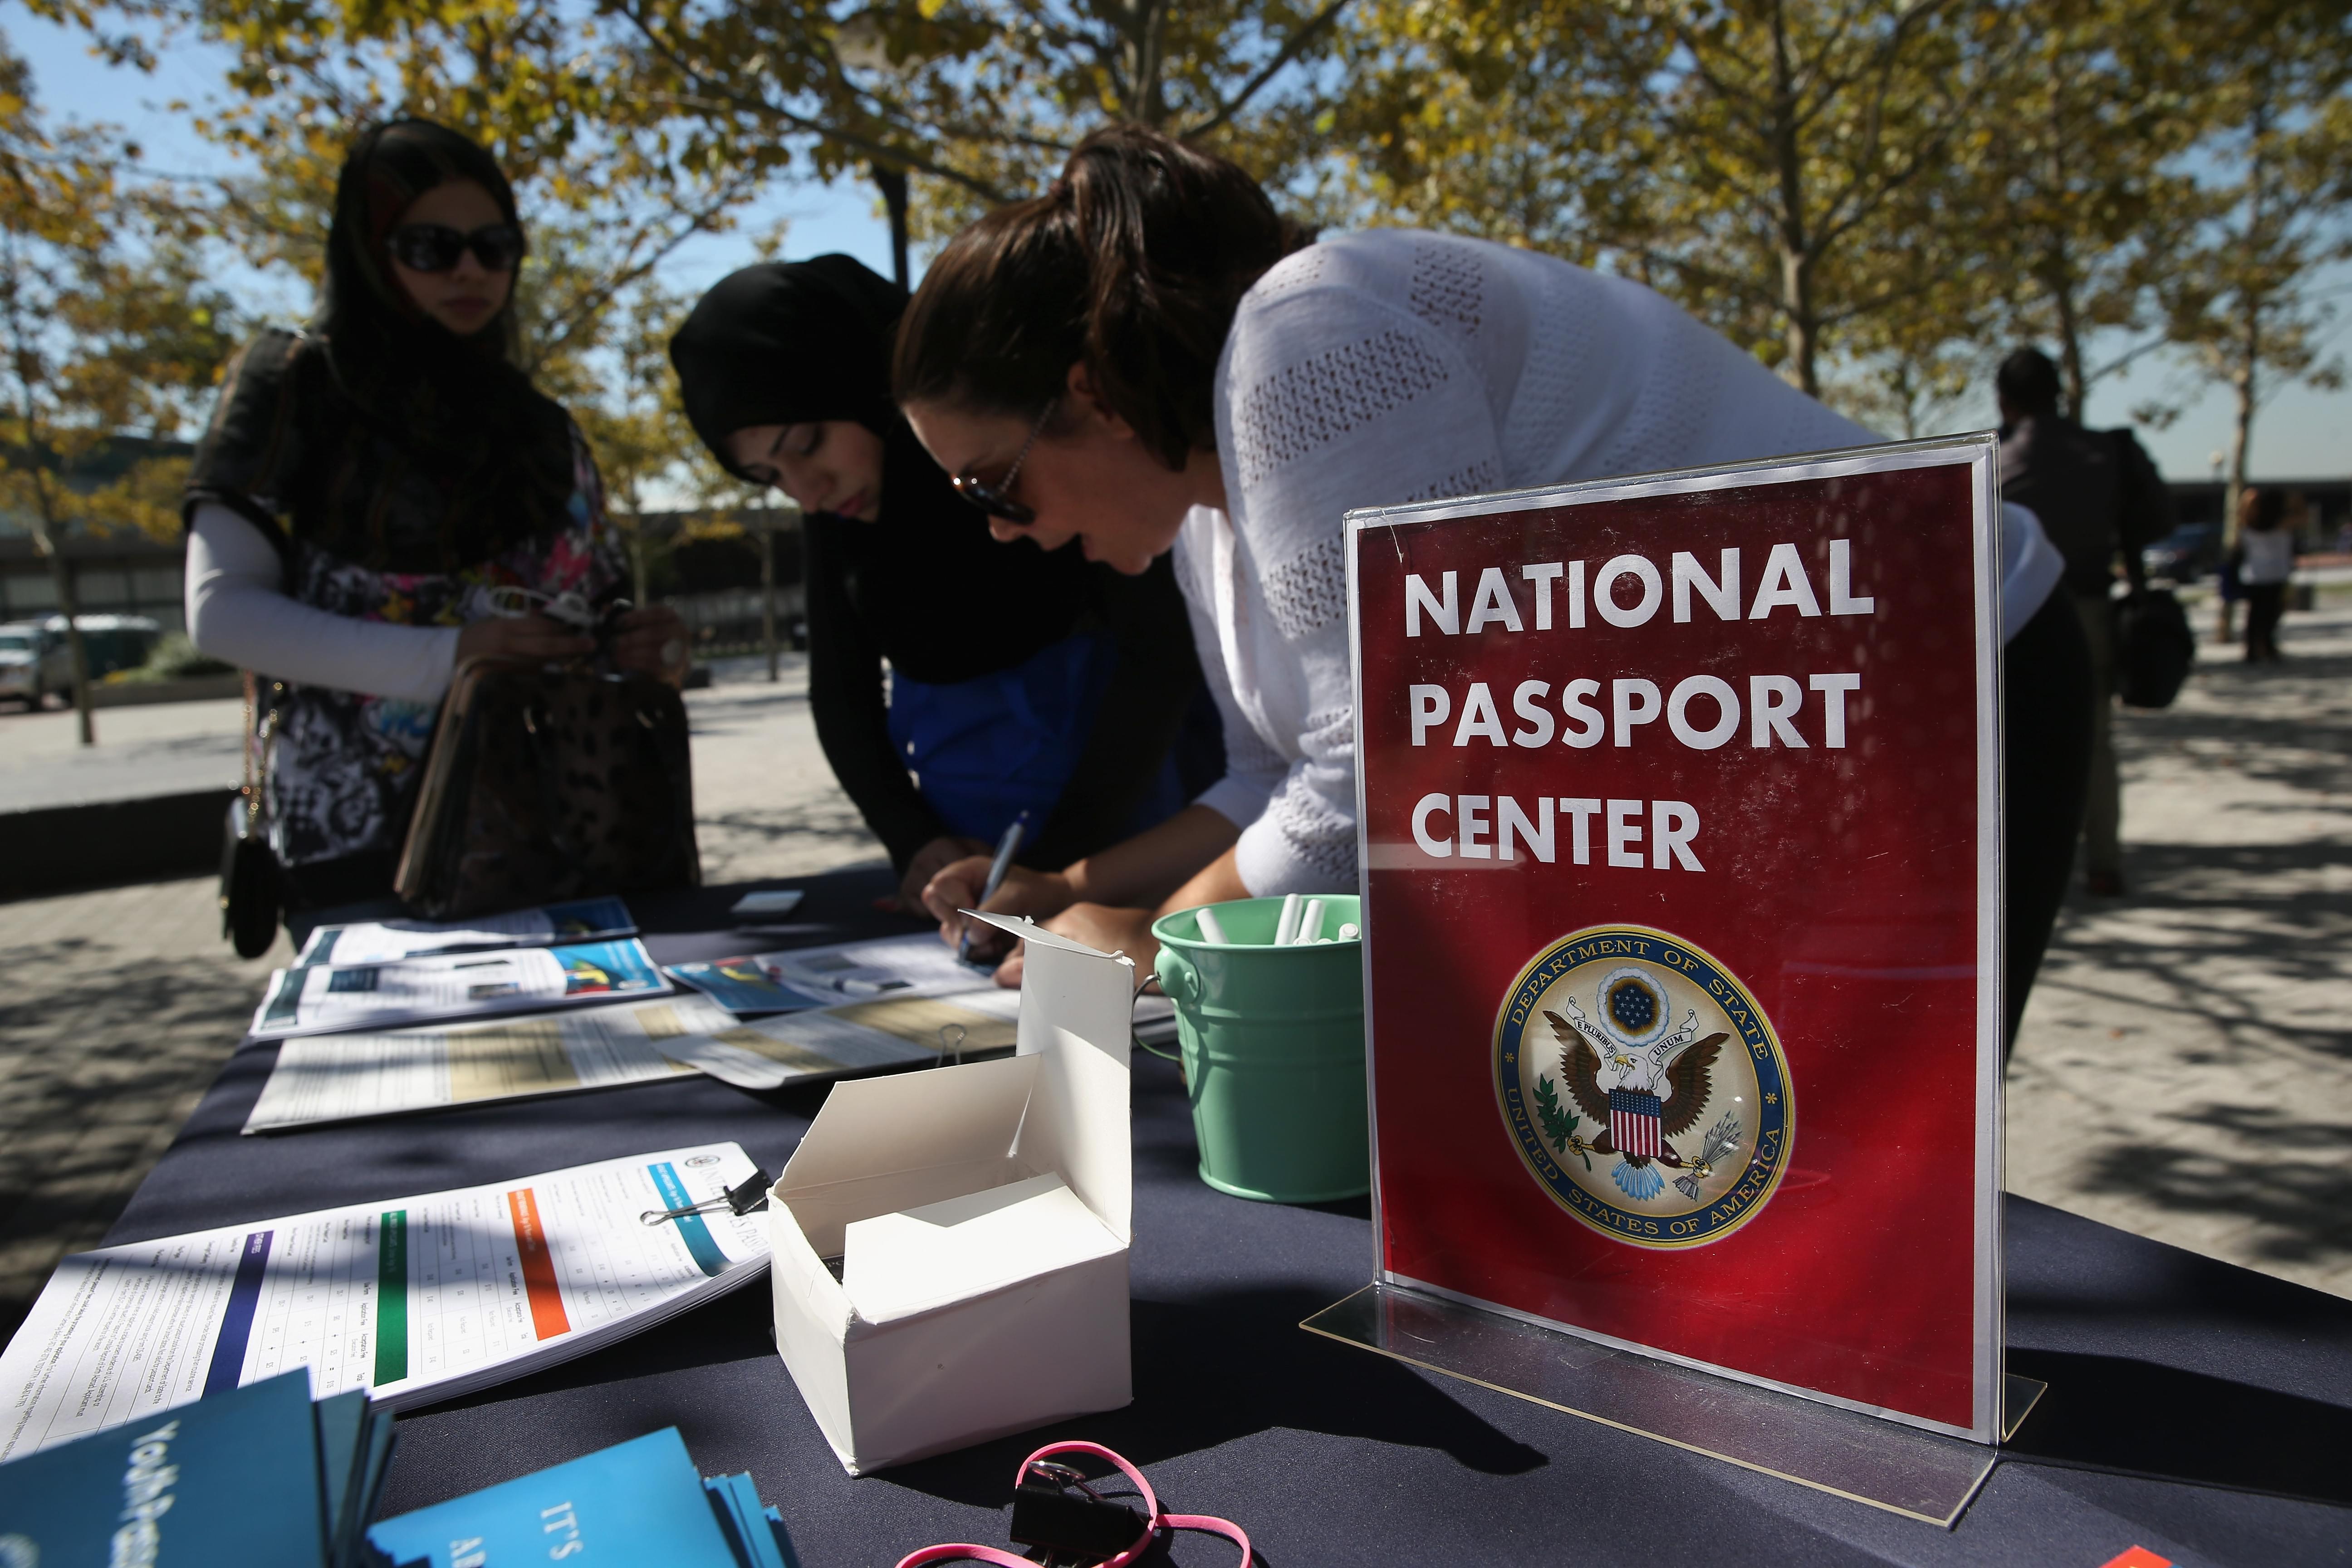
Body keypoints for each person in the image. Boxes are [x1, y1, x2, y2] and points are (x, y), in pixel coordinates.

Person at [898, 123, 2083, 1037]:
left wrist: (1153, 937)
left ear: (1094, 395)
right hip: (1767, 732)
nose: (999, 534)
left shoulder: (1306, 333)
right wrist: (1069, 885)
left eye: (992, 486)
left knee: (1839, 1182)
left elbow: (1397, 769)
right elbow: (1269, 780)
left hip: (1931, 678)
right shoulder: (1210, 517)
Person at [183, 120, 686, 926]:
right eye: (429, 246)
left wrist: (641, 643)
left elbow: (601, 597)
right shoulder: (295, 385)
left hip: (561, 817)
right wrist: (449, 656)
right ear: (369, 248)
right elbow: (222, 612)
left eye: (494, 246)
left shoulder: (541, 427)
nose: (468, 270)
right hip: (366, 841)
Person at [668, 257, 1216, 913]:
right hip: (970, 852)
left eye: (809, 442)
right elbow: (841, 690)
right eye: (767, 476)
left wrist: (1055, 870)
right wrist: (914, 839)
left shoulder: (1026, 453)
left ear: (862, 382)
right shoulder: (837, 508)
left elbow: (1160, 655)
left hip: (1135, 828)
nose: (805, 492)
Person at [1997, 348, 2161, 899]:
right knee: (2095, 744)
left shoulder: (1996, 462)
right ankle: (2104, 862)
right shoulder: (2110, 451)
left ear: (2005, 400)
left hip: (2015, 618)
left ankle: (2019, 871)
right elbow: (2159, 519)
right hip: (2089, 608)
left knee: (2007, 750)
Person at [2236, 487, 2297, 662]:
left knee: (2261, 615)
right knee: (2267, 614)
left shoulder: (2251, 527)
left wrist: (2249, 498)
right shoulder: (2280, 526)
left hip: (2260, 576)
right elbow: (2301, 513)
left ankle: (2260, 648)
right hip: (2267, 575)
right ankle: (2261, 648)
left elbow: (2243, 512)